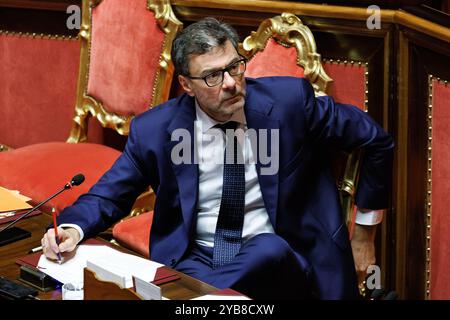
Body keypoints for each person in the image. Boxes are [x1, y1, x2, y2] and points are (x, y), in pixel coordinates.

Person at [41, 17, 393, 299]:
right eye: (212, 76)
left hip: (286, 258)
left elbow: (377, 141)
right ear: (186, 84)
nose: (230, 83)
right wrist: (72, 229)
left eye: (234, 67)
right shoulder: (157, 129)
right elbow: (110, 194)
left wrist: (364, 237)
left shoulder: (289, 103)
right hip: (199, 262)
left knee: (265, 249)